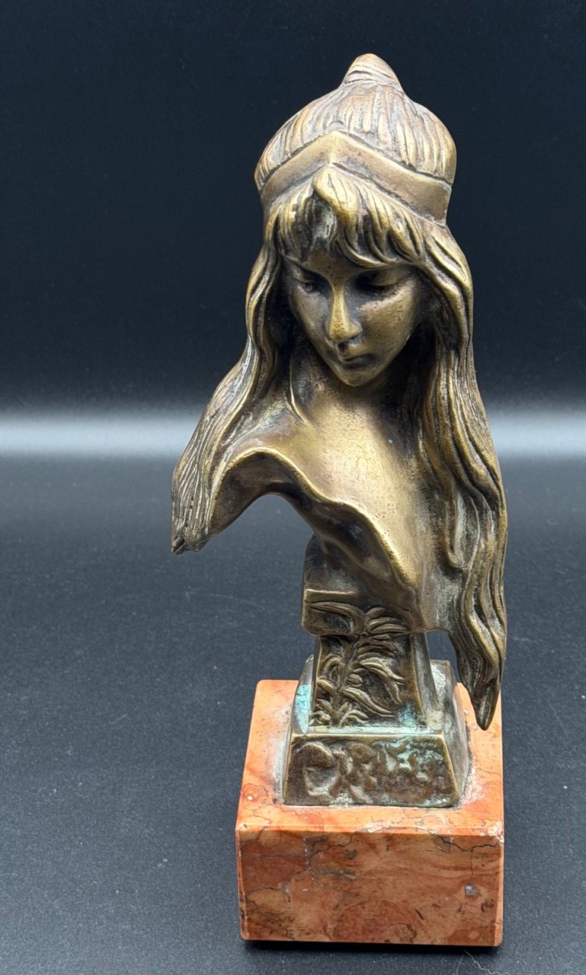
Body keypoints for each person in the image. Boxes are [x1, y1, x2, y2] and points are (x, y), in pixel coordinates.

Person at [172, 55, 506, 731]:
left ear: (435, 290)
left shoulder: (437, 441)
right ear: (278, 285)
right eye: (311, 283)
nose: (338, 327)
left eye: (374, 286)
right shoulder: (269, 447)